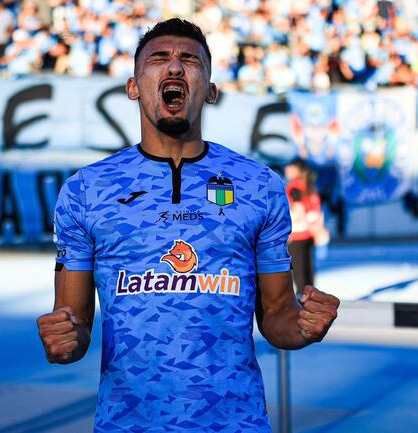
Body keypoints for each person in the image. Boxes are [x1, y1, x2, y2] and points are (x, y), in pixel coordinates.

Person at [36, 19, 340, 433]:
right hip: (127, 425)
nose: (175, 68)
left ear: (210, 91)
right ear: (133, 86)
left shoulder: (259, 186)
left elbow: (276, 316)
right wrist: (63, 340)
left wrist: (304, 326)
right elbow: (74, 322)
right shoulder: (86, 190)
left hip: (237, 423)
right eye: (159, 58)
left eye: (190, 60)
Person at [284, 160, 328, 293]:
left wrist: (313, 229)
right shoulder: (310, 187)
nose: (287, 170)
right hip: (309, 235)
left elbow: (299, 209)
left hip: (297, 236)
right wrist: (317, 231)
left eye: (290, 167)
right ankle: (312, 300)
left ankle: (304, 304)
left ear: (297, 170)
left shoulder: (294, 187)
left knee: (299, 274)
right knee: (309, 272)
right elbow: (318, 211)